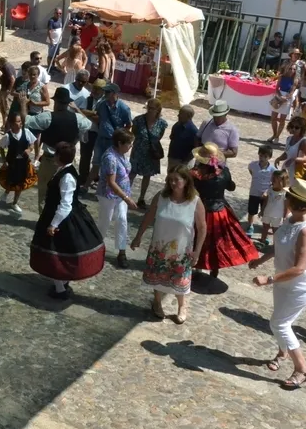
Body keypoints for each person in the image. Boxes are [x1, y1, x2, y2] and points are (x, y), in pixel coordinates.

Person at [249, 179, 306, 389]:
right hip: (283, 282)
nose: (285, 199)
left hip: (297, 287)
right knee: (280, 321)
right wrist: (260, 260)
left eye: (288, 197)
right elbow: (278, 246)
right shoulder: (290, 220)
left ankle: (303, 368)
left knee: (279, 324)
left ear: (296, 202)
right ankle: (282, 353)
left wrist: (268, 279)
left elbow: (299, 268)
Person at [30, 142, 105, 300]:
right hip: (60, 215)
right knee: (61, 252)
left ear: (59, 156)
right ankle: (62, 284)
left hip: (62, 219)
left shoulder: (67, 177)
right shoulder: (64, 171)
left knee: (56, 253)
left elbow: (65, 204)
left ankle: (60, 289)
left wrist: (53, 224)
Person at [132, 166, 206, 323]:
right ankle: (157, 302)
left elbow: (202, 228)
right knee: (157, 274)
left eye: (176, 180)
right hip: (160, 246)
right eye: (170, 180)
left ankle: (182, 306)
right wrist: (138, 236)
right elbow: (148, 216)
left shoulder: (195, 201)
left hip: (181, 250)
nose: (172, 183)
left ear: (186, 181)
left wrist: (197, 251)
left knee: (180, 279)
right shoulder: (161, 197)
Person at [190, 143, 258, 278]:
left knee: (197, 238)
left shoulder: (195, 174)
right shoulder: (224, 172)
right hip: (220, 211)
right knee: (217, 242)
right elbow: (231, 187)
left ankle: (197, 267)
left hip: (201, 210)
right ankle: (214, 269)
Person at [24, 87, 92, 207]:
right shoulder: (77, 118)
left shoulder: (48, 117)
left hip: (50, 160)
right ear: (68, 103)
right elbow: (88, 123)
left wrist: (23, 104)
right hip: (67, 161)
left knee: (44, 193)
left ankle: (45, 216)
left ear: (56, 102)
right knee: (63, 195)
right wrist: (77, 110)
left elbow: (27, 121)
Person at [97, 128, 138, 269]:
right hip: (108, 195)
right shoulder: (110, 158)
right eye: (129, 143)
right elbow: (111, 182)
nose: (131, 146)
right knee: (105, 221)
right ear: (120, 143)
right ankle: (95, 248)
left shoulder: (121, 154)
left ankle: (122, 252)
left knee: (122, 220)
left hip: (121, 195)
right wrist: (127, 198)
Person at [129, 98, 168, 208]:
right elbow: (133, 133)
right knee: (131, 173)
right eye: (148, 108)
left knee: (147, 176)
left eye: (152, 108)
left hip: (150, 153)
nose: (149, 110)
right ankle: (125, 194)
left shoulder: (162, 124)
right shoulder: (138, 120)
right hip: (138, 151)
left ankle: (141, 198)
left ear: (158, 110)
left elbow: (159, 137)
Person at [0, 112, 38, 214]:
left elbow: (32, 143)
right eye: (18, 121)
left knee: (20, 183)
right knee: (10, 180)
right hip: (12, 163)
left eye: (21, 121)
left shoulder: (26, 132)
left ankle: (15, 203)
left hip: (23, 163)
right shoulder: (8, 136)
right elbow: (2, 148)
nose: (20, 123)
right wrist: (4, 161)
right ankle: (7, 192)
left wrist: (30, 149)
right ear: (11, 124)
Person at [269, 52, 301, 143]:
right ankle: (274, 134)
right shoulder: (282, 77)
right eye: (290, 68)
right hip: (279, 95)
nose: (292, 70)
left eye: (294, 69)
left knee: (282, 119)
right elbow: (277, 88)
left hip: (287, 98)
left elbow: (292, 91)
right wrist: (280, 96)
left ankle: (277, 136)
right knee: (273, 117)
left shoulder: (295, 80)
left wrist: (285, 98)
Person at [246, 145, 276, 236]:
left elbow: (274, 182)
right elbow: (251, 171)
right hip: (254, 192)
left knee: (265, 212)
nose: (262, 158)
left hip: (265, 195)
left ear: (269, 157)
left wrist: (267, 191)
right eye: (261, 156)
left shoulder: (272, 170)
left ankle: (265, 227)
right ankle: (250, 225)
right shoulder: (253, 165)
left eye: (265, 156)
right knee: (252, 211)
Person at [273, 115, 306, 180]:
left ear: (302, 129)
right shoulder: (289, 139)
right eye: (292, 126)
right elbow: (286, 153)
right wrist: (279, 158)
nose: (293, 129)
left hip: (296, 173)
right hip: (286, 170)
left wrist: (295, 159)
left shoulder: (304, 142)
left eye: (297, 127)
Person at [260, 169, 288, 247]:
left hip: (277, 216)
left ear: (281, 182)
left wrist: (285, 216)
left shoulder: (284, 193)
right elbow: (266, 201)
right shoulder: (270, 190)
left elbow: (286, 206)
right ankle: (262, 241)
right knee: (265, 228)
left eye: (274, 180)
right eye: (272, 179)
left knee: (275, 231)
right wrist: (262, 210)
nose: (272, 181)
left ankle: (275, 245)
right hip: (267, 213)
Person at [166, 105, 198, 171]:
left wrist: (185, 162)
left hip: (184, 162)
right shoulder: (177, 125)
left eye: (181, 114)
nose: (178, 115)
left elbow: (195, 149)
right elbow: (172, 137)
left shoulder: (193, 131)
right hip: (173, 158)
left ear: (188, 116)